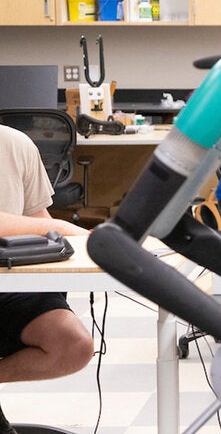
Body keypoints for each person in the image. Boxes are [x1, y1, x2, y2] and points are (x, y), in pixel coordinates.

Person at [0, 124, 95, 434]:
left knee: (74, 345)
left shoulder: (15, 143)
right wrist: (68, 230)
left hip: (11, 281)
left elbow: (38, 220)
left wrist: (87, 243)